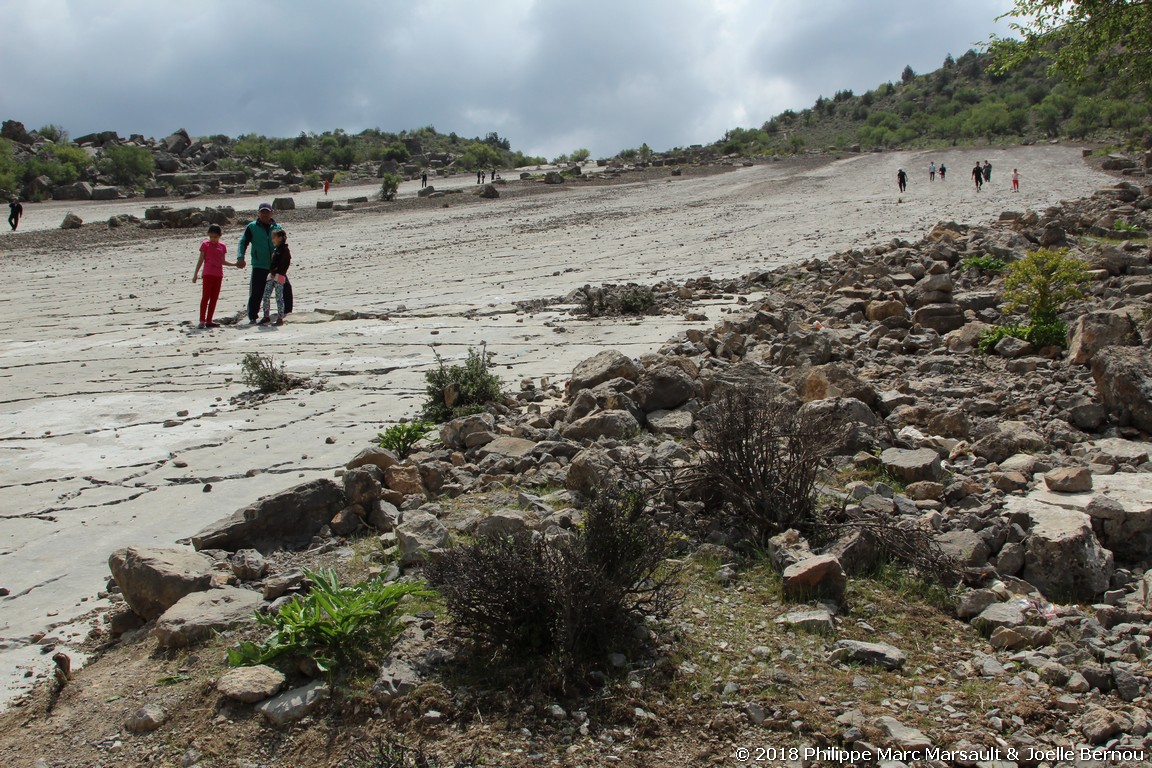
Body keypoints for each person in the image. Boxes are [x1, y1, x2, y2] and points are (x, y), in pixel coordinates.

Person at [238, 203, 293, 324]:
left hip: (276, 267)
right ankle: (253, 316)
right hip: (259, 265)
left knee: (286, 289)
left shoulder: (277, 227)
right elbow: (243, 242)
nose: (264, 214)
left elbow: (284, 246)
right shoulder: (252, 227)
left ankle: (287, 313)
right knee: (257, 292)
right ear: (258, 213)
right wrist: (240, 257)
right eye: (262, 212)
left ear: (271, 213)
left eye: (267, 212)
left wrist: (283, 266)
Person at [192, 224, 236, 329]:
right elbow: (201, 260)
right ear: (208, 235)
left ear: (220, 236)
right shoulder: (205, 244)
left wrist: (234, 264)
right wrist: (195, 274)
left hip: (218, 275)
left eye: (215, 237)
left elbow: (222, 261)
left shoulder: (222, 246)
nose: (213, 239)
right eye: (211, 236)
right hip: (207, 274)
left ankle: (209, 320)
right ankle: (202, 320)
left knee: (214, 298)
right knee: (205, 297)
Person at [258, 225, 291, 326]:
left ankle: (280, 318)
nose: (273, 240)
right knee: (266, 296)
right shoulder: (276, 250)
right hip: (272, 275)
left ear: (280, 238)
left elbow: (285, 264)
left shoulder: (284, 250)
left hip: (279, 275)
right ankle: (266, 316)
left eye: (274, 238)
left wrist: (277, 272)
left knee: (279, 297)